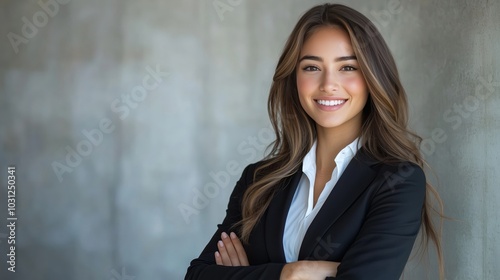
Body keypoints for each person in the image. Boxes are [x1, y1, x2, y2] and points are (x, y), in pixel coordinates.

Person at [185, 3, 444, 280]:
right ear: (294, 78)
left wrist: (249, 274)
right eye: (311, 67)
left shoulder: (398, 181)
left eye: (347, 67)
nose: (328, 84)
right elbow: (198, 275)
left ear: (372, 77)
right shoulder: (258, 181)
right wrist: (291, 274)